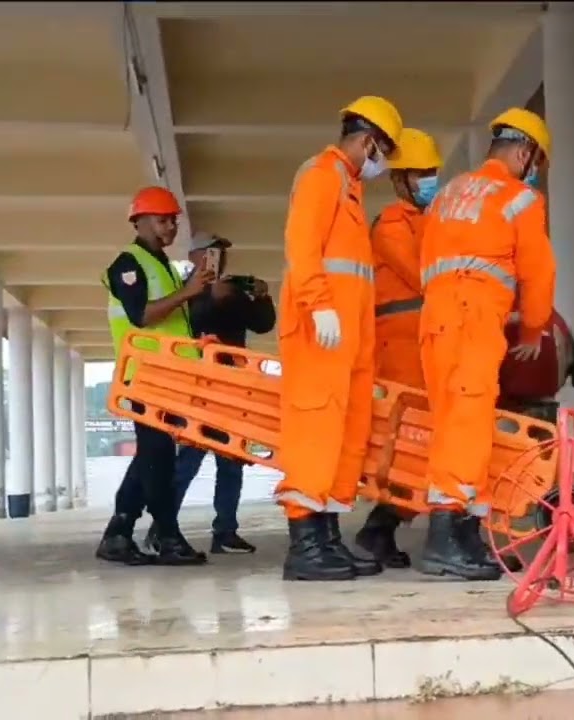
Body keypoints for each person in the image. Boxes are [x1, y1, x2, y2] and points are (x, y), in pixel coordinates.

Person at [415, 108, 557, 581]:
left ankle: (465, 535)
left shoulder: (447, 195)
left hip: (435, 319)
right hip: (473, 317)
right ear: (524, 152)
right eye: (535, 162)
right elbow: (539, 272)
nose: (533, 170)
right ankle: (444, 538)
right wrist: (534, 329)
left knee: (450, 422)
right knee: (470, 419)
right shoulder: (520, 198)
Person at [275, 96, 404, 581]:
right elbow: (302, 244)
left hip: (347, 337)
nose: (383, 163)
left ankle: (326, 535)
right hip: (319, 329)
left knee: (345, 434)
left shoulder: (349, 187)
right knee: (316, 429)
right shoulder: (321, 174)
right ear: (369, 141)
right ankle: (304, 545)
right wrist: (319, 303)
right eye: (384, 152)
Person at [96, 186, 213, 566]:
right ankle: (166, 534)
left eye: (173, 221)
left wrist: (197, 344)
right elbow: (142, 316)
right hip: (146, 378)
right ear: (140, 221)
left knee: (153, 457)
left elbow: (170, 329)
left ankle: (120, 532)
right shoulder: (128, 265)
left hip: (166, 377)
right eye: (163, 220)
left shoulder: (160, 263)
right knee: (158, 458)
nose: (170, 228)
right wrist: (189, 292)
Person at [143, 230, 275, 556]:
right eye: (211, 252)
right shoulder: (183, 290)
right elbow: (187, 323)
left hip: (232, 387)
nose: (218, 258)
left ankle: (226, 531)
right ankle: (162, 528)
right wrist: (207, 296)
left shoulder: (232, 290)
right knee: (187, 460)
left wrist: (261, 296)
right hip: (198, 390)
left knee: (232, 461)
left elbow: (263, 324)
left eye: (221, 252)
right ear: (194, 257)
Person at [352, 128, 442, 569]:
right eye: (421, 173)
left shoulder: (433, 221)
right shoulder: (391, 224)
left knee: (425, 447)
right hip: (401, 352)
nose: (429, 180)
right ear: (399, 179)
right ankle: (378, 530)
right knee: (412, 448)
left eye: (432, 172)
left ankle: (379, 530)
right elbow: (425, 275)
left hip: (427, 347)